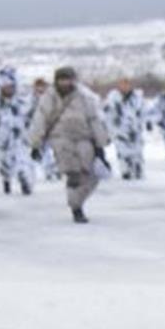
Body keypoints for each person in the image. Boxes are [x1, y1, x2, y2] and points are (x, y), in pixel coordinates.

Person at [27, 66, 110, 223]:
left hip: (84, 138)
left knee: (92, 174)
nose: (65, 83)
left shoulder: (84, 97)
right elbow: (40, 120)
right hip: (61, 138)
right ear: (56, 81)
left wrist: (100, 145)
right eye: (61, 79)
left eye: (68, 79)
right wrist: (35, 144)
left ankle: (78, 201)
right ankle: (76, 208)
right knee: (73, 173)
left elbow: (95, 120)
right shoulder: (49, 98)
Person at [0, 66, 36, 196]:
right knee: (5, 164)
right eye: (5, 87)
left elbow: (32, 118)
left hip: (21, 140)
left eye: (11, 86)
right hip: (3, 140)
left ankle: (26, 182)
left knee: (23, 163)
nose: (8, 89)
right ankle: (6, 180)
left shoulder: (24, 101)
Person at [102, 77, 147, 180]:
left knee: (137, 152)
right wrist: (110, 129)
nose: (125, 86)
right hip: (120, 130)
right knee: (123, 153)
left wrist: (144, 123)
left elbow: (144, 112)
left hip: (135, 130)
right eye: (122, 84)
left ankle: (137, 170)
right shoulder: (113, 99)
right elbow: (108, 115)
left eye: (127, 84)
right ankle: (125, 171)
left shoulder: (137, 98)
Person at [30, 78, 61, 182]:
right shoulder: (31, 100)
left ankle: (57, 169)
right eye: (38, 86)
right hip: (39, 129)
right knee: (44, 151)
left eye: (42, 86)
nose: (40, 88)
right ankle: (49, 171)